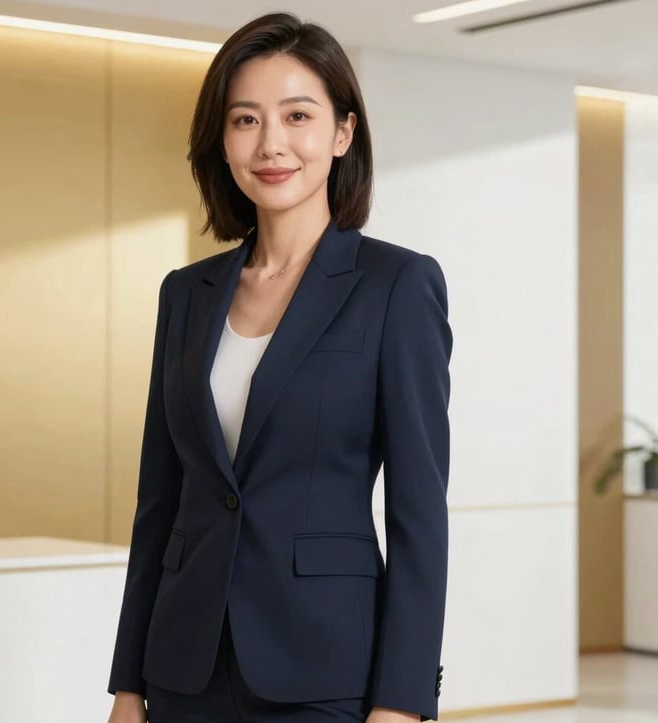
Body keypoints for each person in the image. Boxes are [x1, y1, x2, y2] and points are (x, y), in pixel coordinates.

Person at [106, 11, 452, 723]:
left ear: (342, 133)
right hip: (183, 669)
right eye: (245, 120)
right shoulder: (186, 294)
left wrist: (402, 703)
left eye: (298, 115)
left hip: (324, 670)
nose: (272, 144)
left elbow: (419, 515)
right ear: (222, 141)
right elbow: (159, 505)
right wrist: (128, 684)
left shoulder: (397, 286)